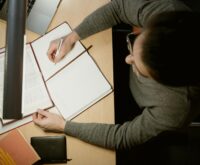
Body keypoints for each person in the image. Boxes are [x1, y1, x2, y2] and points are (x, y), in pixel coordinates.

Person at [33, 0, 200, 151]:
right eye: (137, 39)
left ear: (163, 81)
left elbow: (123, 137)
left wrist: (63, 125)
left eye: (140, 68)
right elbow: (119, 8)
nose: (127, 59)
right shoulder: (168, 15)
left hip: (130, 109)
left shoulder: (175, 109)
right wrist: (70, 38)